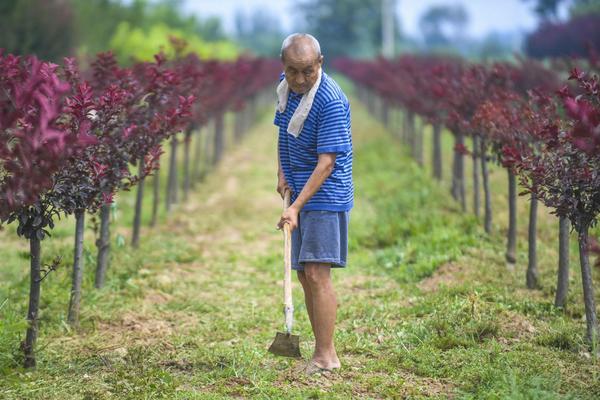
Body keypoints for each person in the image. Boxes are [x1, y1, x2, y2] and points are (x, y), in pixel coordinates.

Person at [274, 33, 353, 375]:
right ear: (284, 67)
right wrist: (281, 172)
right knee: (305, 274)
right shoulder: (287, 87)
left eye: (308, 71)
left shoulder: (330, 100)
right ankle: (322, 351)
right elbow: (282, 131)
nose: (300, 79)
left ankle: (326, 356)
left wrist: (295, 207)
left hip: (324, 195)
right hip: (301, 191)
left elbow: (327, 163)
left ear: (320, 63)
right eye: (293, 71)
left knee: (318, 274)